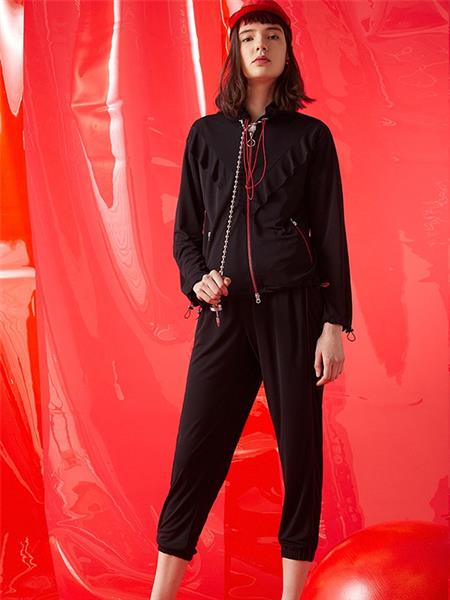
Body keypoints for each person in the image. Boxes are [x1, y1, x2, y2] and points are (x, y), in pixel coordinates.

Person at [150, 1, 356, 598]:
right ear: (235, 55)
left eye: (272, 36)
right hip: (224, 314)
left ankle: (292, 594)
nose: (260, 45)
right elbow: (186, 233)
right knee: (196, 453)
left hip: (294, 310)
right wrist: (198, 279)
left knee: (300, 455)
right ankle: (161, 593)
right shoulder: (205, 135)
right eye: (248, 38)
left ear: (287, 53)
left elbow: (331, 234)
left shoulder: (311, 138)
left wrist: (334, 323)